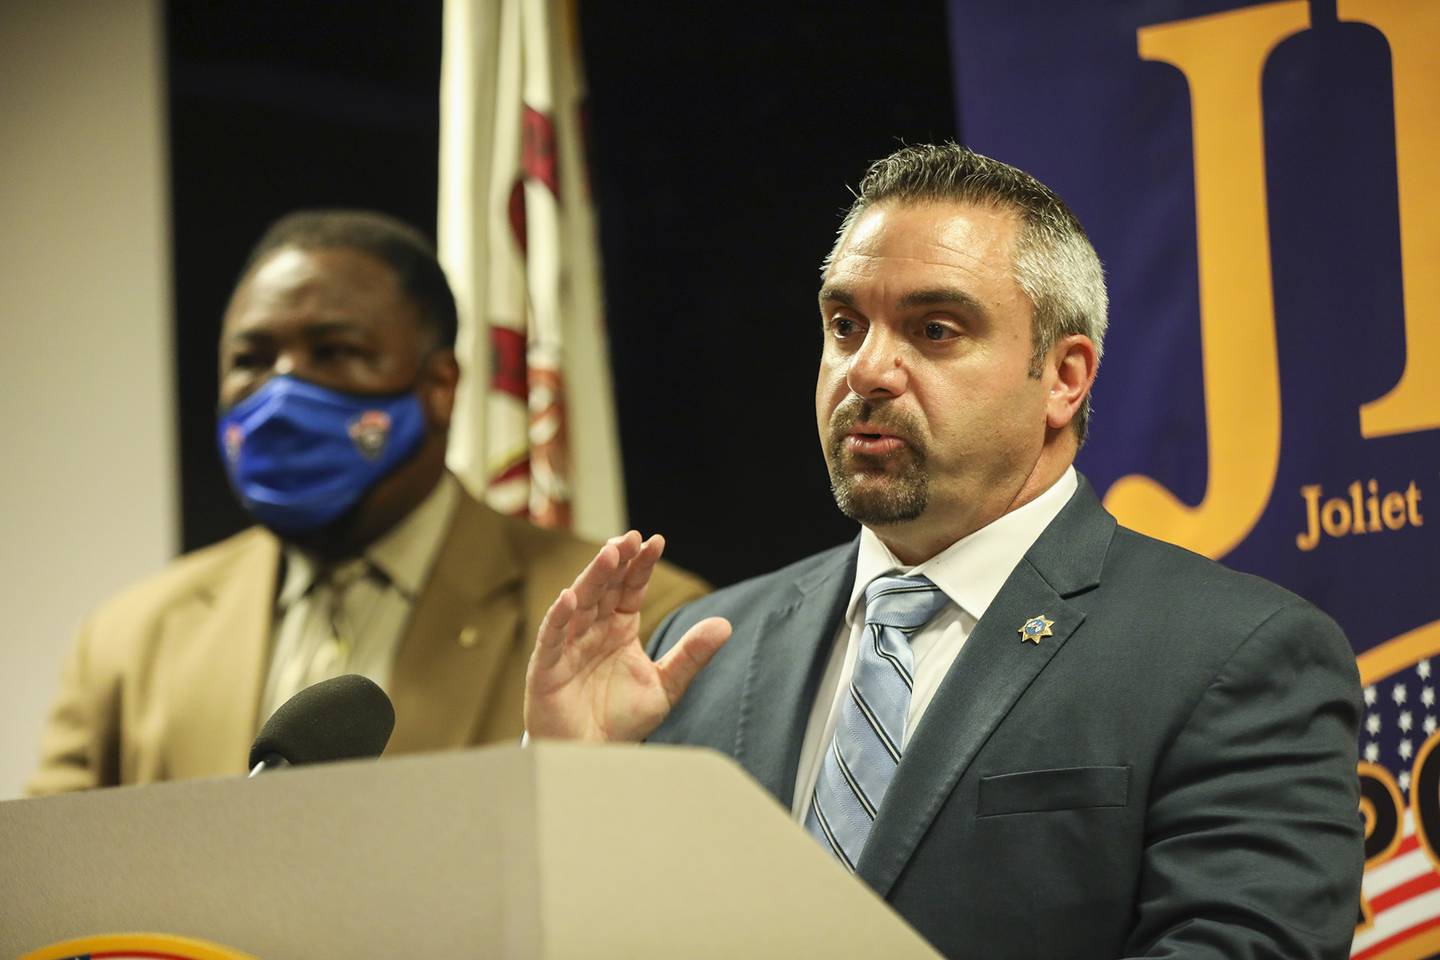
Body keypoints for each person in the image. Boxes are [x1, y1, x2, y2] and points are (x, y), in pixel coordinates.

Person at [523, 145, 1363, 958]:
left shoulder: (1235, 656)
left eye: (933, 329)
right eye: (845, 325)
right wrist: (572, 791)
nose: (867, 371)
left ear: (1065, 378)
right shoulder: (702, 649)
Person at [28, 210, 706, 795]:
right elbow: (43, 898)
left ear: (439, 386)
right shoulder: (129, 640)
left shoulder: (631, 621)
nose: (283, 391)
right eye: (252, 360)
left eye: (336, 351)